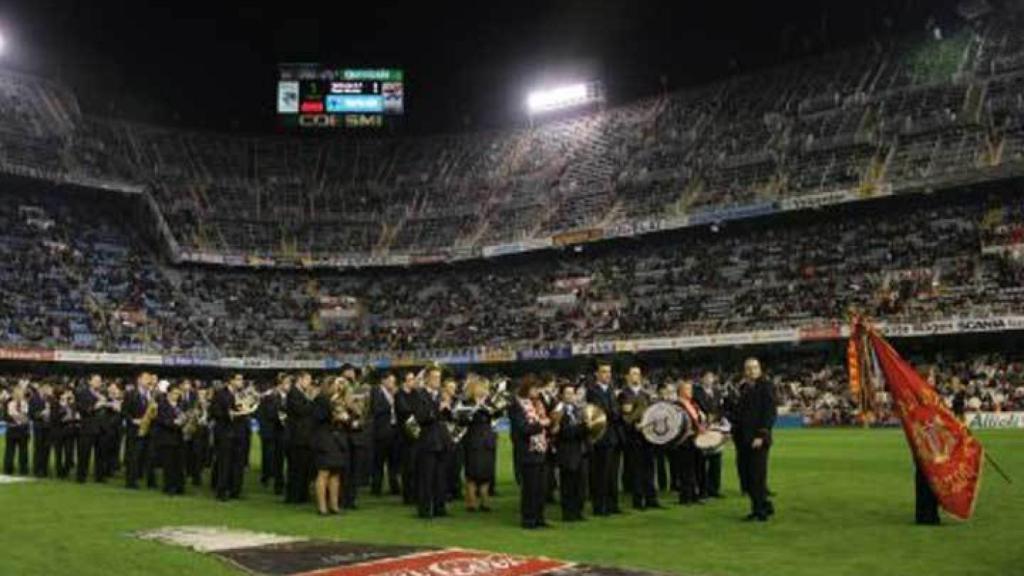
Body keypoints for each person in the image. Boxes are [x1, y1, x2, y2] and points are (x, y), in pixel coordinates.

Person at [735, 358, 777, 521]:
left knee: (756, 476)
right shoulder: (744, 387)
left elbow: (769, 412)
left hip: (758, 439)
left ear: (760, 369)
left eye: (754, 368)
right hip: (743, 439)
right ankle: (764, 505)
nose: (751, 371)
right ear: (744, 371)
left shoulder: (765, 386)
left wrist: (761, 434)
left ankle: (759, 510)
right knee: (746, 475)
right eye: (748, 368)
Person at [413, 366, 453, 519]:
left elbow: (447, 418)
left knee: (440, 477)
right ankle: (424, 509)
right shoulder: (420, 395)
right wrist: (438, 408)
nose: (438, 380)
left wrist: (448, 409)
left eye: (439, 377)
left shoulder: (441, 395)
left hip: (442, 440)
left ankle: (439, 507)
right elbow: (421, 417)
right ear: (427, 379)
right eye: (435, 377)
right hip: (428, 441)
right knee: (426, 477)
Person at [511, 375, 551, 529]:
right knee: (530, 488)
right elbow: (523, 429)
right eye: (534, 388)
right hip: (527, 450)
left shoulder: (538, 404)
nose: (537, 391)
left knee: (541, 487)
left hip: (540, 449)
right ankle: (528, 519)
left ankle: (540, 517)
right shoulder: (517, 405)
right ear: (526, 389)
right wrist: (541, 424)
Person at [619, 365, 660, 510]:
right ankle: (638, 500)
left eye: (638, 374)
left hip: (648, 436)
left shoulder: (646, 394)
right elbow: (624, 417)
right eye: (633, 374)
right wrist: (633, 425)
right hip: (633, 437)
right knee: (636, 470)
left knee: (650, 468)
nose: (636, 376)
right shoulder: (624, 394)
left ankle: (651, 498)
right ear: (628, 377)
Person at [587, 361, 623, 516]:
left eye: (609, 372)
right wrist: (613, 413)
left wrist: (613, 413)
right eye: (603, 372)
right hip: (600, 437)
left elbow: (616, 411)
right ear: (597, 374)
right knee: (600, 474)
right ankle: (599, 506)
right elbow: (602, 412)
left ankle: (612, 504)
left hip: (613, 437)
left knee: (613, 474)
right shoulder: (592, 391)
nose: (607, 375)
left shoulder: (611, 390)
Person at [211, 374, 252, 501]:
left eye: (241, 379)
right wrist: (229, 414)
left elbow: (245, 408)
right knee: (225, 463)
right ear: (231, 381)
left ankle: (235, 490)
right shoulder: (220, 394)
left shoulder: (241, 394)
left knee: (238, 463)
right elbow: (215, 412)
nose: (241, 382)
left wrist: (246, 410)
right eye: (239, 379)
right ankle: (222, 491)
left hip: (240, 433)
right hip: (225, 433)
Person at [461, 375, 498, 512]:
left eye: (485, 387)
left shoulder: (490, 402)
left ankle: (485, 500)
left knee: (487, 471)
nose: (483, 390)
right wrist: (472, 411)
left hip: (488, 439)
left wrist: (491, 409)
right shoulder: (467, 402)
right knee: (472, 471)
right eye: (480, 387)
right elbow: (461, 420)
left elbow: (498, 414)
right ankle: (471, 501)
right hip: (473, 439)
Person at [312, 378, 347, 515]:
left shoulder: (337, 399)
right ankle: (322, 507)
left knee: (336, 473)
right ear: (329, 385)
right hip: (323, 438)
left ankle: (334, 505)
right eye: (336, 384)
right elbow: (318, 417)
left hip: (336, 438)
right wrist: (334, 415)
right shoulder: (321, 399)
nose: (338, 387)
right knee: (324, 472)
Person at [553, 381, 587, 522]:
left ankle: (578, 511)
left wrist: (585, 427)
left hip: (579, 450)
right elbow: (565, 432)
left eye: (572, 393)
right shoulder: (558, 411)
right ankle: (568, 513)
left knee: (579, 483)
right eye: (567, 393)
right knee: (568, 484)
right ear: (562, 395)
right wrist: (582, 427)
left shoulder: (577, 410)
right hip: (566, 451)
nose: (571, 396)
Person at [285, 372, 317, 504]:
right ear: (300, 379)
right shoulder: (293, 393)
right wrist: (312, 400)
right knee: (296, 468)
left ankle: (302, 494)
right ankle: (294, 496)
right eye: (308, 379)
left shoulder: (301, 393)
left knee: (304, 467)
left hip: (304, 437)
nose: (310, 382)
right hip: (297, 437)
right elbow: (301, 411)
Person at [124, 373, 157, 490]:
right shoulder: (130, 394)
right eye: (146, 379)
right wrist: (133, 420)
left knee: (150, 456)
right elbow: (124, 412)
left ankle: (151, 481)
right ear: (139, 380)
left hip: (149, 429)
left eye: (149, 379)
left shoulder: (152, 394)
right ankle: (131, 482)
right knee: (134, 456)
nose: (148, 381)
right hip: (135, 429)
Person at [676, 379, 706, 505]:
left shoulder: (693, 404)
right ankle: (685, 496)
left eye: (691, 389)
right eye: (687, 389)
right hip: (684, 441)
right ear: (681, 391)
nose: (691, 391)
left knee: (695, 468)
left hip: (695, 439)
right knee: (686, 470)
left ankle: (694, 494)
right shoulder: (677, 405)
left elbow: (699, 419)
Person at [370, 372, 401, 496]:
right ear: (383, 381)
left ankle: (395, 487)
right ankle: (376, 488)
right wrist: (391, 404)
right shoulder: (376, 391)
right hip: (381, 433)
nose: (392, 384)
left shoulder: (395, 394)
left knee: (393, 461)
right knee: (378, 462)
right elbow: (375, 409)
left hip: (394, 431)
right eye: (390, 381)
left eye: (394, 381)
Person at [258, 374, 288, 495]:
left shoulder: (289, 397)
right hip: (271, 432)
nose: (289, 385)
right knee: (269, 457)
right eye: (287, 382)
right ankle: (268, 478)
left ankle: (279, 483)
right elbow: (267, 414)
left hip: (282, 432)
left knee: (280, 458)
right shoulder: (270, 397)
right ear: (280, 383)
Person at [694, 372, 723, 498]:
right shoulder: (696, 392)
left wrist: (717, 417)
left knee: (716, 461)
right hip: (702, 429)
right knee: (701, 462)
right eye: (706, 377)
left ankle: (714, 489)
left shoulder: (717, 392)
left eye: (711, 377)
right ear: (702, 379)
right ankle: (702, 490)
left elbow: (722, 408)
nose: (709, 379)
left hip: (715, 428)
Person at [154, 384, 187, 496]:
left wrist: (184, 421)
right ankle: (169, 487)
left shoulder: (180, 405)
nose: (176, 396)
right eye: (174, 393)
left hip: (178, 438)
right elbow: (162, 420)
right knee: (169, 465)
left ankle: (179, 486)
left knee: (179, 464)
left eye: (178, 394)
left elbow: (184, 417)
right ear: (168, 393)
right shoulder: (163, 405)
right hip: (167, 438)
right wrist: (174, 422)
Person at [75, 375, 106, 483]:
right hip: (87, 428)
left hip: (101, 428)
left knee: (101, 455)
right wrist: (96, 406)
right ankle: (81, 477)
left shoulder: (103, 394)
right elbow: (82, 409)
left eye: (100, 381)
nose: (99, 383)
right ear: (90, 381)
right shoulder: (83, 393)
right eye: (96, 380)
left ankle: (99, 477)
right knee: (84, 454)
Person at [394, 371, 420, 505]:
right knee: (408, 467)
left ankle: (416, 493)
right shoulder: (399, 395)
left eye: (413, 379)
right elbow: (405, 411)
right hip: (405, 435)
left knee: (416, 466)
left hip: (416, 433)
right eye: (410, 379)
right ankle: (408, 496)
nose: (413, 381)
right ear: (404, 382)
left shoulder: (416, 394)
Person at [29, 382, 54, 478]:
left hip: (48, 427)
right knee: (38, 448)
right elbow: (31, 414)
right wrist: (40, 414)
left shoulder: (50, 399)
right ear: (41, 389)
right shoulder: (34, 399)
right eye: (46, 389)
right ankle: (37, 469)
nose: (48, 391)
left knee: (47, 449)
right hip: (39, 427)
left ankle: (44, 469)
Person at [3, 385, 30, 476]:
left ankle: (23, 469)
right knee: (10, 451)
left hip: (21, 430)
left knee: (23, 451)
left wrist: (18, 417)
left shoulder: (25, 404)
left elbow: (25, 417)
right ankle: (8, 469)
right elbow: (11, 416)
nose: (18, 395)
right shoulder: (10, 403)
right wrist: (20, 418)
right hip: (13, 429)